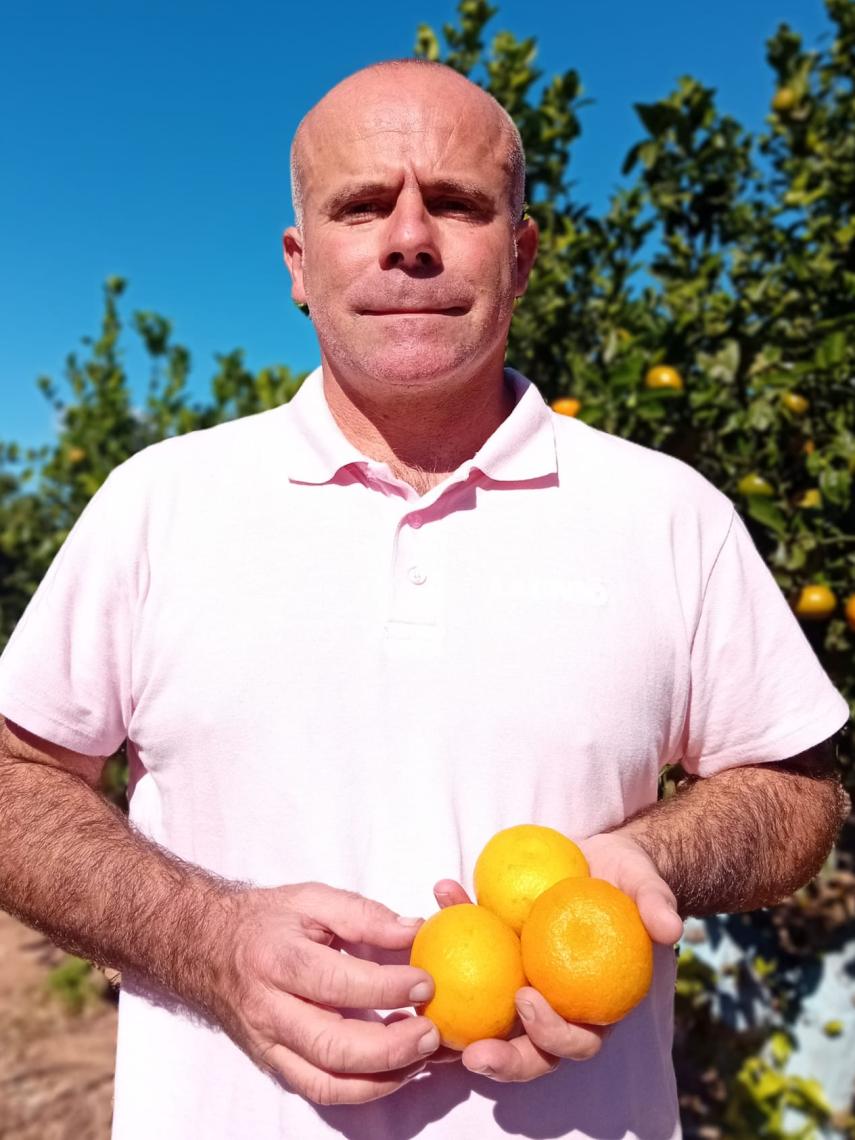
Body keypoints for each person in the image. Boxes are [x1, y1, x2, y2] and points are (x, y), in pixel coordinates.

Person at [0, 59, 849, 1140]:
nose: (411, 239)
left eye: (457, 203)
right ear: (300, 263)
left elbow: (796, 784)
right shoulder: (159, 503)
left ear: (525, 252)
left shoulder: (666, 512)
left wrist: (647, 863)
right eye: (362, 206)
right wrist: (204, 942)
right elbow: (15, 779)